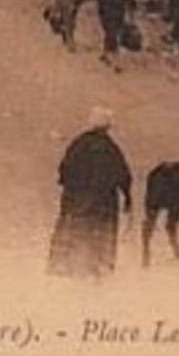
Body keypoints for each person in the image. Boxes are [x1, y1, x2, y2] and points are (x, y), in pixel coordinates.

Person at [47, 108, 133, 279]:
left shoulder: (78, 144)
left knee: (73, 230)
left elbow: (64, 171)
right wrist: (126, 195)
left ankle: (64, 266)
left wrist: (73, 189)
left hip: (78, 199)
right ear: (107, 126)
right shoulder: (110, 147)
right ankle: (98, 268)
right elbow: (123, 174)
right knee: (101, 234)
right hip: (103, 201)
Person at [79, 0, 137, 71]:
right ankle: (114, 59)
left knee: (114, 31)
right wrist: (78, 1)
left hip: (119, 9)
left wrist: (132, 4)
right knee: (111, 32)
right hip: (106, 10)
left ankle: (106, 54)